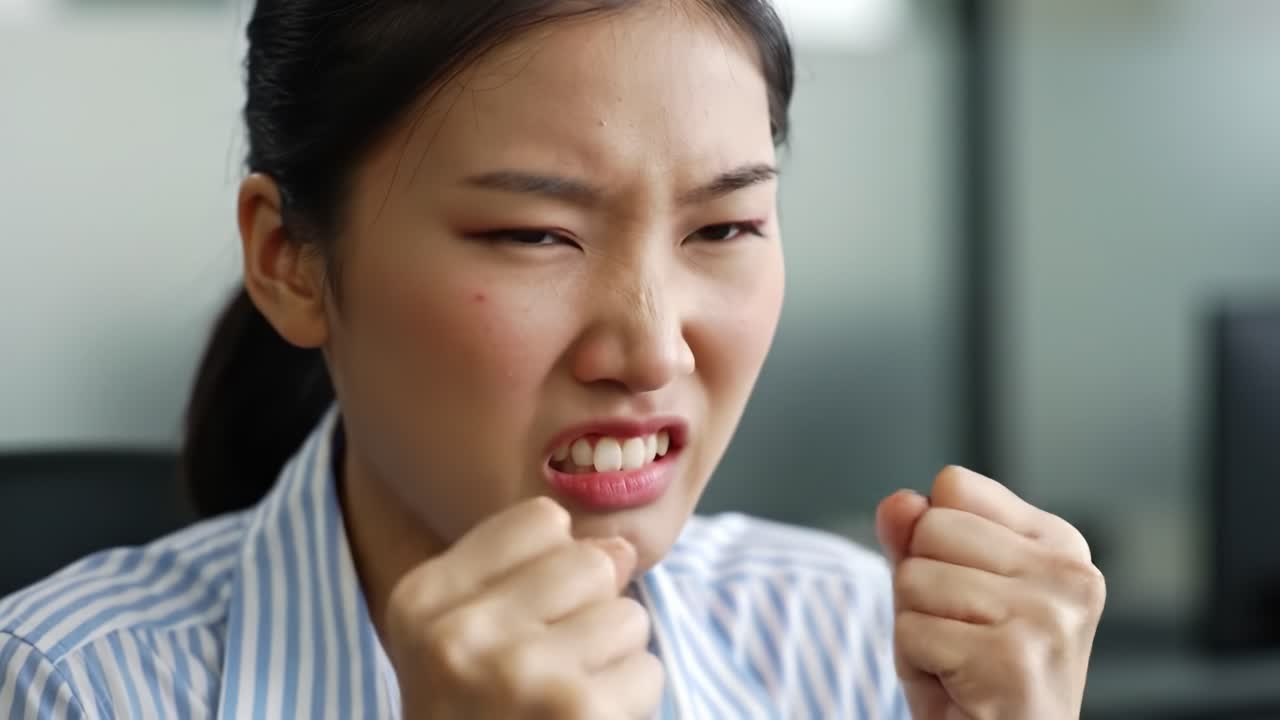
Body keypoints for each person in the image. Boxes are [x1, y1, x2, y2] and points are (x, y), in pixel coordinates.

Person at [0, 1, 1105, 717]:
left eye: (722, 229)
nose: (649, 347)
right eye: (533, 237)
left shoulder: (847, 638)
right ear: (290, 260)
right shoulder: (73, 685)